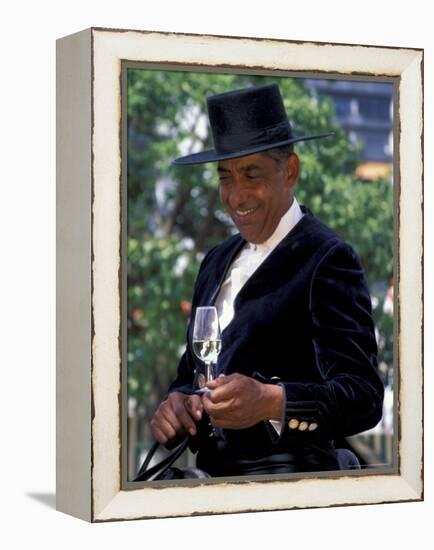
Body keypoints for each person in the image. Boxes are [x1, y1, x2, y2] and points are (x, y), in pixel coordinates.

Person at [149, 83, 384, 477]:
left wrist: (272, 401)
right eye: (226, 177)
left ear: (289, 171)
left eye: (251, 174)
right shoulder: (215, 260)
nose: (235, 196)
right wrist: (177, 404)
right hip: (209, 484)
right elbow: (191, 374)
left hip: (288, 485)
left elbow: (364, 396)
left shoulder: (327, 259)